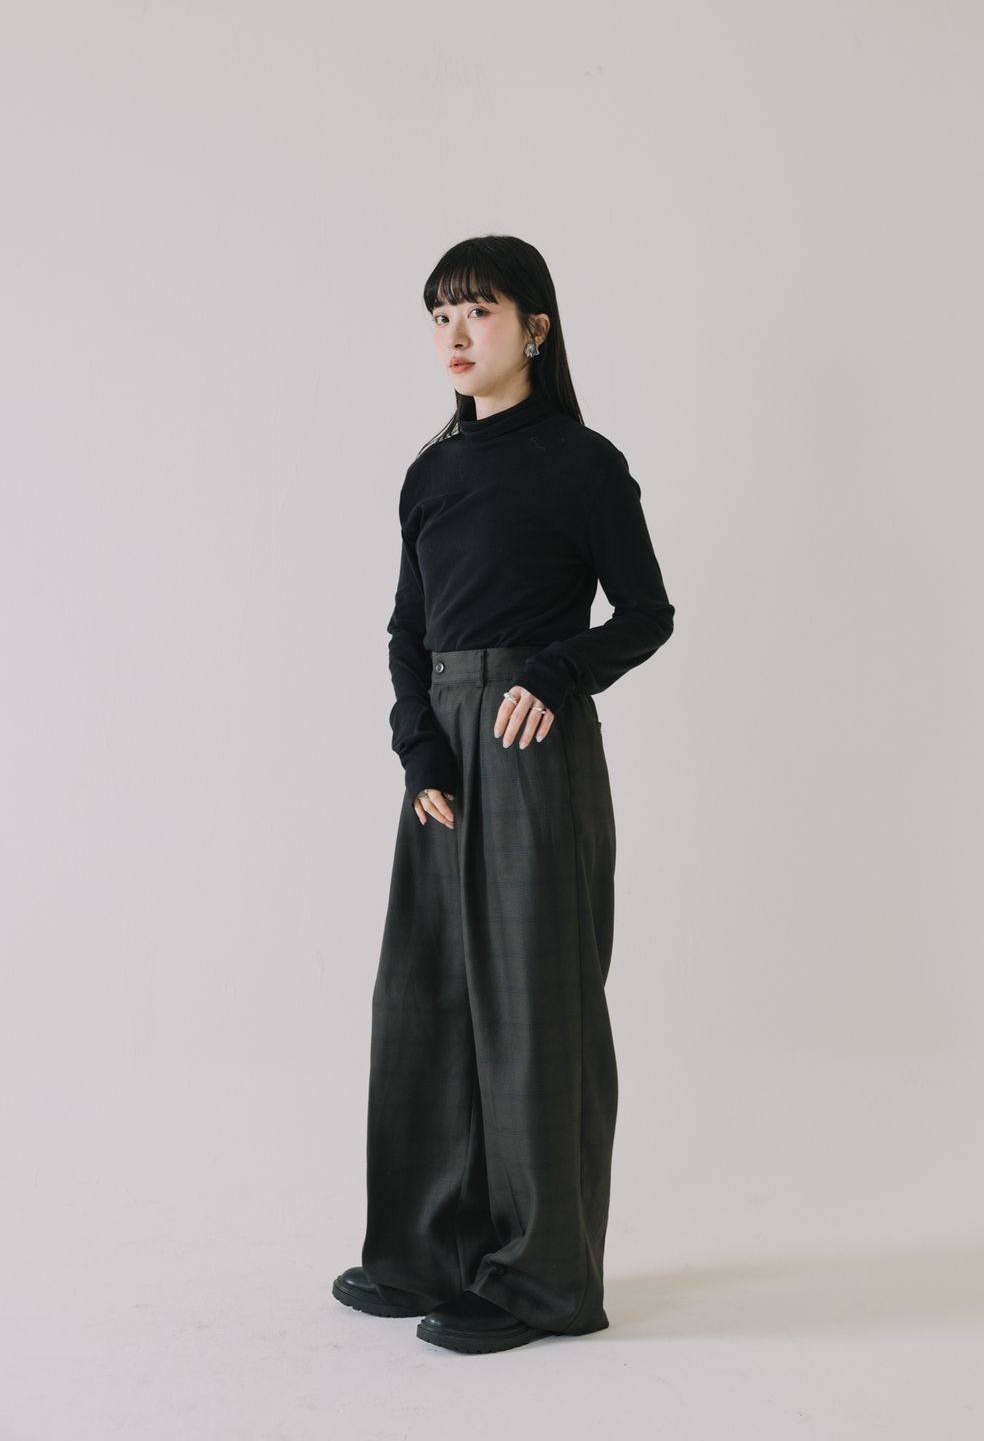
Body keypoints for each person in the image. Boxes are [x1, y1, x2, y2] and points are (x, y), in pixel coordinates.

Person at [331, 234, 675, 1355]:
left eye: (477, 311)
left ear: (535, 327)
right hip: (442, 752)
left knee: (536, 1011)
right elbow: (407, 631)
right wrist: (418, 753)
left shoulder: (585, 464)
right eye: (440, 315)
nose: (455, 333)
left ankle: (542, 1283)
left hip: (533, 746)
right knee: (425, 1001)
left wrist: (555, 672)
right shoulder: (430, 473)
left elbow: (646, 613)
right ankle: (428, 1254)